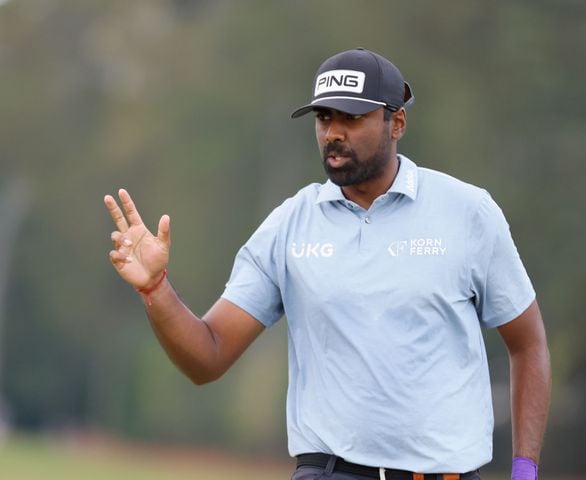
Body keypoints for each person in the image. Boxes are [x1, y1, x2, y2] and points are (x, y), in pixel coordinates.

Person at [104, 48, 551, 480]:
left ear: (396, 122)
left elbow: (528, 344)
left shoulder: (468, 213)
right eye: (324, 118)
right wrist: (156, 289)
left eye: (351, 118)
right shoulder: (289, 227)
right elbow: (208, 356)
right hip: (330, 472)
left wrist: (524, 470)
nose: (333, 132)